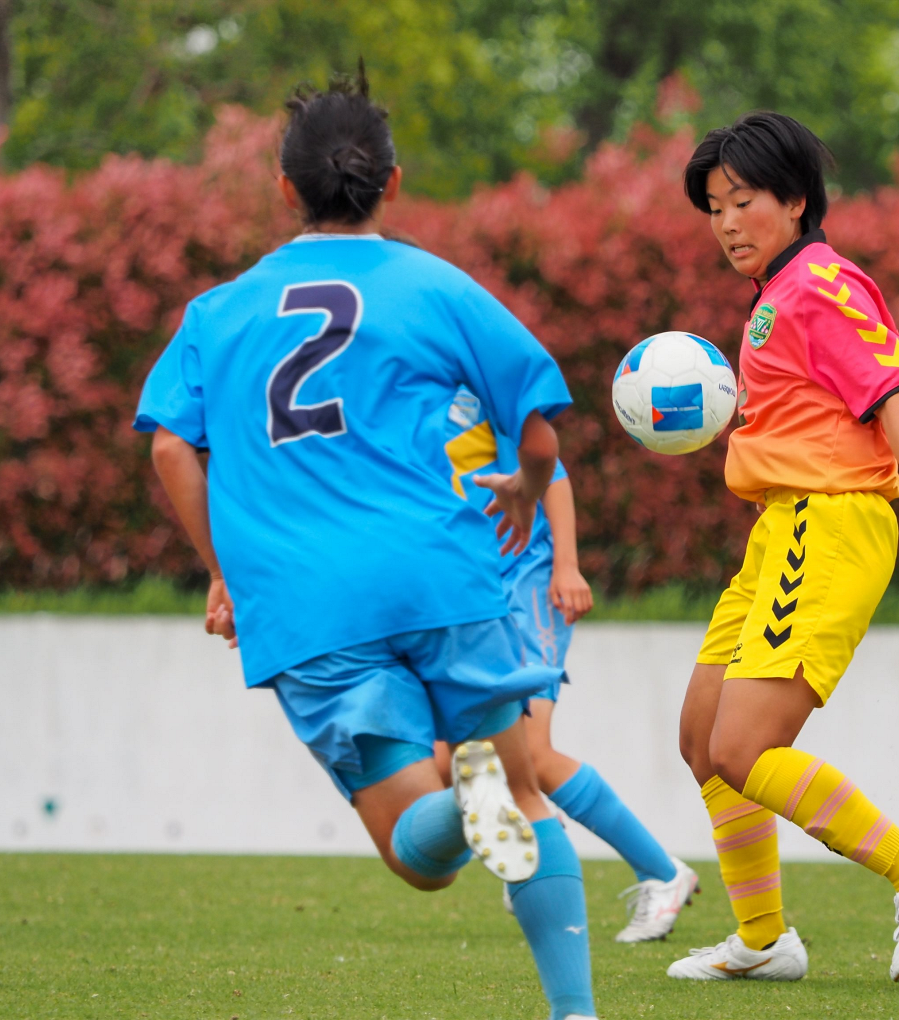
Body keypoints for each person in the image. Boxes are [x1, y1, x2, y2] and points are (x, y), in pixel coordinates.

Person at [133, 69, 599, 1020]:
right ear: (393, 183)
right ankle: (575, 1012)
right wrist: (526, 481)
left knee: (418, 859)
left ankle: (465, 806)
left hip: (306, 602)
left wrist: (223, 572)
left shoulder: (219, 312)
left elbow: (173, 443)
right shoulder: (438, 285)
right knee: (522, 788)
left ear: (282, 186)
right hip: (445, 575)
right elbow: (541, 417)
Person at [671, 111, 899, 985]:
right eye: (714, 207)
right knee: (703, 740)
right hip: (780, 530)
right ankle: (765, 942)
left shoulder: (822, 284)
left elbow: (892, 392)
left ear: (796, 201)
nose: (726, 222)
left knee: (744, 750)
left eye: (744, 201)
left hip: (830, 523)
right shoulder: (775, 295)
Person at [436, 386, 699, 940]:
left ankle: (662, 871)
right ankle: (536, 835)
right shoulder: (396, 403)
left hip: (525, 584)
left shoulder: (475, 392)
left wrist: (566, 566)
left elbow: (548, 468)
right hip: (466, 593)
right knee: (444, 758)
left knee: (529, 750)